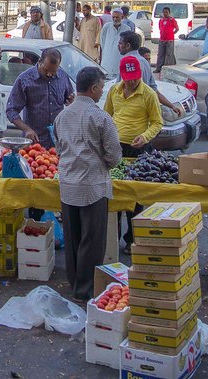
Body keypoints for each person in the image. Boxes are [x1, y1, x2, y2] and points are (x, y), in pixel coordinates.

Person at [54, 67, 121, 302]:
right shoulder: (101, 117)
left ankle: (74, 283)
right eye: (102, 87)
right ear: (93, 88)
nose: (102, 92)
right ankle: (85, 290)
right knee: (92, 241)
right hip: (93, 185)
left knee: (73, 238)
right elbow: (114, 155)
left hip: (68, 184)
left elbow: (59, 148)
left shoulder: (62, 116)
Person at [105, 55, 165, 252]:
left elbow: (157, 122)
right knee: (115, 195)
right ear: (122, 75)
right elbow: (107, 116)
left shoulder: (148, 94)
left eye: (135, 77)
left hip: (139, 148)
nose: (132, 81)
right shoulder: (114, 91)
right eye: (128, 77)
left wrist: (145, 137)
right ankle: (112, 240)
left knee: (134, 197)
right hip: (116, 147)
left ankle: (132, 239)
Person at [6, 47, 74, 148]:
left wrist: (72, 101)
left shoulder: (63, 77)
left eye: (53, 71)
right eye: (46, 70)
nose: (49, 74)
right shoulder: (24, 80)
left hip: (58, 141)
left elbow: (69, 99)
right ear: (39, 62)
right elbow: (11, 110)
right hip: (35, 143)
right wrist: (27, 129)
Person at [99, 9, 126, 74]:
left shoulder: (127, 29)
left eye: (117, 17)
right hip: (106, 61)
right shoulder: (106, 27)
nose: (115, 19)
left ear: (122, 17)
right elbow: (102, 42)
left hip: (120, 60)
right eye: (113, 17)